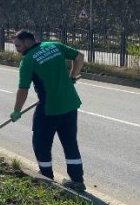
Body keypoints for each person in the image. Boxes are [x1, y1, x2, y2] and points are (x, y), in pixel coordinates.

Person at [10, 29, 86, 191]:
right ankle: (77, 181)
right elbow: (79, 57)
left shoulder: (28, 60)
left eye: (18, 45)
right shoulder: (54, 45)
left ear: (28, 42)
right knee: (70, 142)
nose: (16, 49)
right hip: (70, 103)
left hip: (50, 108)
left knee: (41, 142)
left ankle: (46, 177)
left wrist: (17, 110)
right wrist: (73, 76)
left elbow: (23, 89)